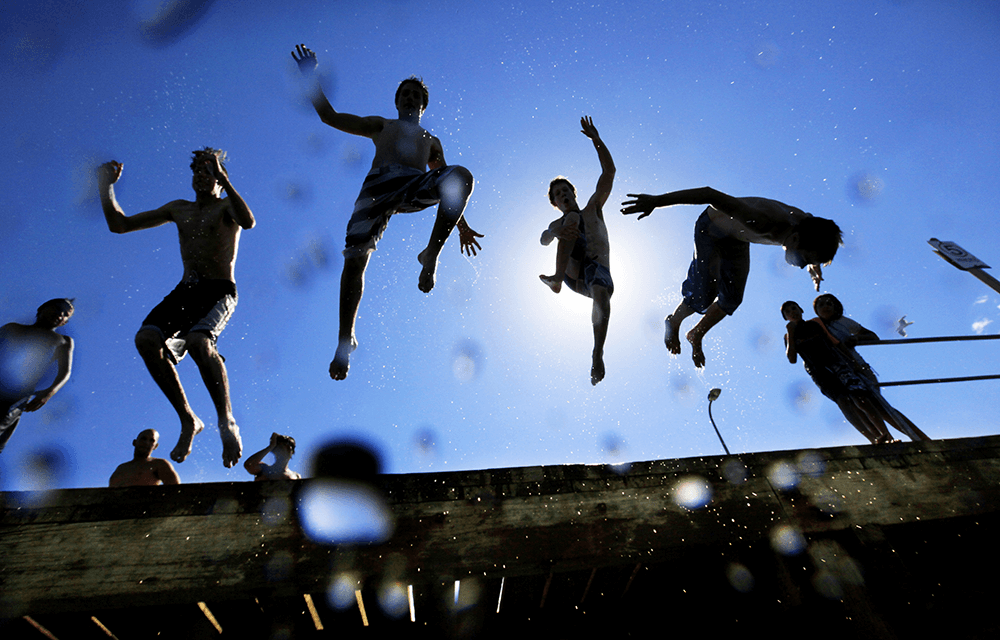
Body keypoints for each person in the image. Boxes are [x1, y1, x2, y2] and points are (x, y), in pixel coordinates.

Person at [292, 44, 482, 380]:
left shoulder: (431, 140)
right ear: (397, 102)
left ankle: (430, 256)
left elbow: (449, 183)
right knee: (354, 261)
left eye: (415, 96)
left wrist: (463, 225)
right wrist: (311, 77)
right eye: (405, 94)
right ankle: (344, 338)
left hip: (413, 185)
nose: (409, 99)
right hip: (377, 191)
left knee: (463, 176)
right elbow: (329, 117)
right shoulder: (381, 125)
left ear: (422, 106)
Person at [98, 148, 255, 468]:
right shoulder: (178, 209)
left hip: (218, 291)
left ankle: (227, 421)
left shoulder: (227, 205)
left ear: (219, 178)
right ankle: (188, 420)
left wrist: (225, 180)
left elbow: (248, 222)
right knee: (145, 340)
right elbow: (119, 225)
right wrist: (106, 187)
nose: (200, 175)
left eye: (208, 170)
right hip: (185, 292)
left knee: (199, 342)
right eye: (196, 170)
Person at [621, 188, 842, 368]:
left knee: (732, 298)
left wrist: (814, 265)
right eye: (804, 259)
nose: (802, 265)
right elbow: (710, 194)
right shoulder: (761, 221)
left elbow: (820, 234)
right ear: (794, 238)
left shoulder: (808, 226)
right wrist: (656, 201)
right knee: (704, 296)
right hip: (712, 228)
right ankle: (674, 320)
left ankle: (695, 334)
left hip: (737, 238)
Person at [539, 116, 616, 385]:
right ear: (555, 202)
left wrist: (597, 140)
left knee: (602, 295)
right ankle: (557, 279)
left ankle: (597, 352)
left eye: (565, 190)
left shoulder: (593, 208)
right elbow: (543, 239)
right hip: (572, 273)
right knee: (568, 222)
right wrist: (554, 232)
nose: (563, 195)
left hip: (597, 271)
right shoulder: (560, 220)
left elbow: (609, 173)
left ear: (574, 192)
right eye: (558, 194)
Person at [813, 293, 930, 441]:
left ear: (836, 307)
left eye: (829, 303)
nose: (826, 307)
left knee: (881, 408)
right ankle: (885, 439)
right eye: (821, 304)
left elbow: (872, 336)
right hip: (837, 373)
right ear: (816, 310)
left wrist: (856, 338)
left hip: (858, 367)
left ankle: (920, 438)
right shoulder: (814, 326)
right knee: (858, 408)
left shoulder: (844, 321)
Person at [782, 301, 894, 445]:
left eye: (794, 308)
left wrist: (853, 362)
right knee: (844, 402)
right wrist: (791, 334)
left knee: (861, 398)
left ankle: (887, 436)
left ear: (801, 309)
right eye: (788, 312)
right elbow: (792, 359)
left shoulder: (814, 325)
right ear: (786, 318)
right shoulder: (788, 337)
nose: (792, 312)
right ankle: (874, 439)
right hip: (820, 373)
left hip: (837, 364)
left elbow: (835, 342)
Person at [0, 299, 75, 453]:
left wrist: (49, 392)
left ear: (65, 322)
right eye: (57, 308)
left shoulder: (62, 341)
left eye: (66, 315)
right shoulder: (14, 328)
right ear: (42, 309)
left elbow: (65, 372)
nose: (60, 315)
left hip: (17, 396)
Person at [108, 429, 181, 487]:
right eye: (143, 439)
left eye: (151, 440)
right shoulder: (121, 468)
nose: (146, 443)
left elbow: (175, 490)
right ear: (134, 442)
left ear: (155, 446)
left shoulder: (159, 464)